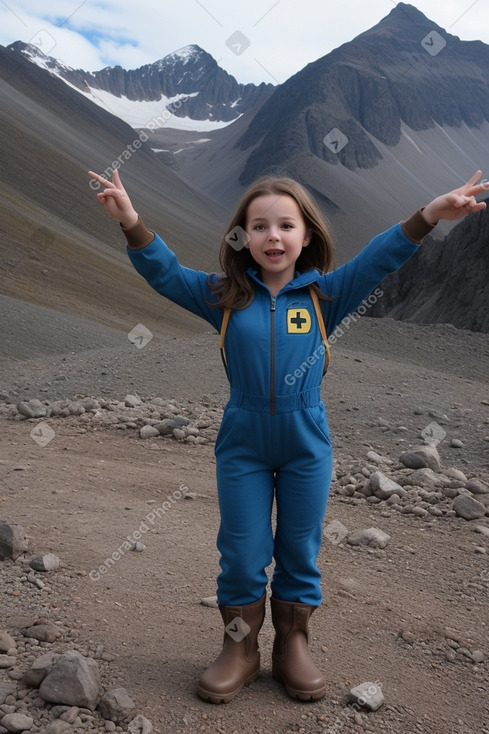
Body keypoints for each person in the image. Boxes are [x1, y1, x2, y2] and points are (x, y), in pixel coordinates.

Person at [88, 168, 487, 704]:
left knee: (300, 548)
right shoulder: (221, 295)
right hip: (243, 444)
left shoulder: (328, 294)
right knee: (242, 550)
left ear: (306, 235)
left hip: (307, 442)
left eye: (285, 225)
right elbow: (165, 273)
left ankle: (292, 645)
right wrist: (131, 223)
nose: (272, 236)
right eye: (258, 226)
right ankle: (241, 649)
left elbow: (381, 256)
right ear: (242, 237)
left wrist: (431, 213)